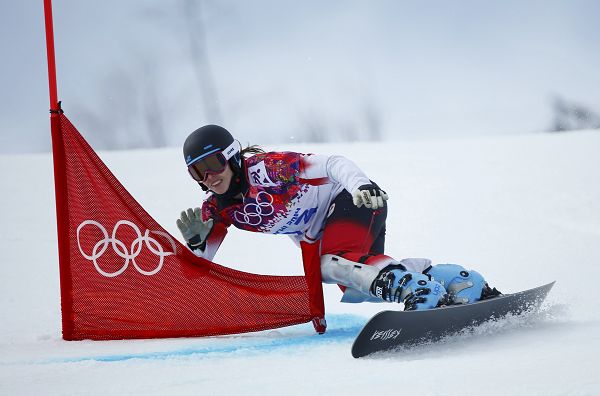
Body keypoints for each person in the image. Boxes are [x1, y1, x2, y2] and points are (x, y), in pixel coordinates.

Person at [176, 125, 500, 311]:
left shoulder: (267, 168)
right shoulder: (215, 210)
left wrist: (362, 185)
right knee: (356, 287)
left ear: (231, 156)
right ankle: (459, 281)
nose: (208, 177)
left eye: (213, 164)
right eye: (197, 172)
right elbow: (197, 268)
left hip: (352, 199)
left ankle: (419, 291)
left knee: (331, 264)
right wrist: (195, 244)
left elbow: (332, 163)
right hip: (322, 230)